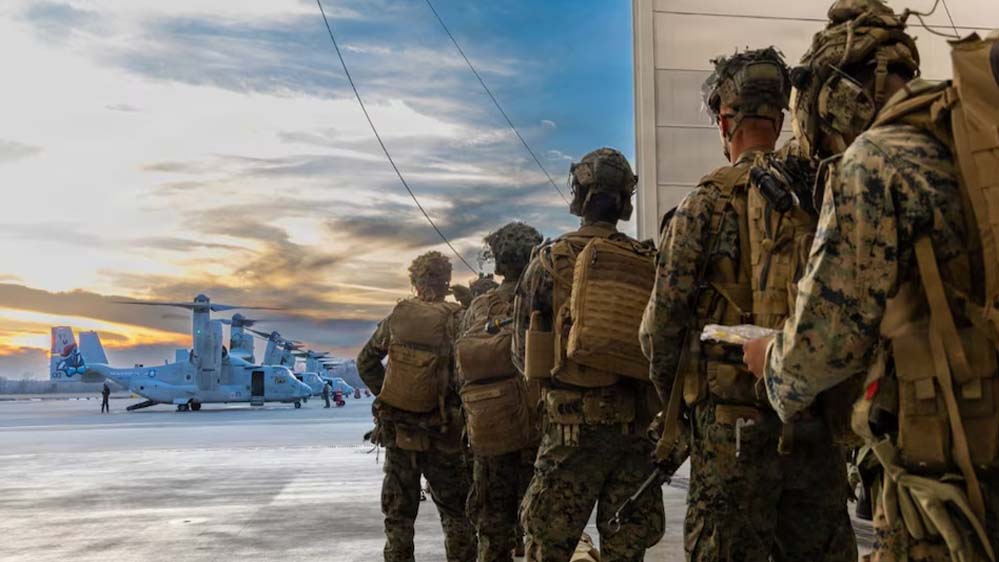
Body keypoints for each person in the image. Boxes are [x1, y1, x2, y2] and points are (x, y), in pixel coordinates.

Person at [744, 2, 999, 561]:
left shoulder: (876, 160)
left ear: (835, 98)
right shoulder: (974, 139)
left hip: (949, 484)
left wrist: (771, 360)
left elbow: (824, 344)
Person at [639, 46, 857, 561]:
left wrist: (684, 407)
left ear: (724, 121)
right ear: (779, 120)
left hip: (730, 431)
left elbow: (660, 331)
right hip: (812, 420)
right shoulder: (819, 196)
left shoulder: (702, 206)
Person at [512, 148, 665, 561]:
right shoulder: (649, 262)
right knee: (626, 551)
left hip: (568, 431)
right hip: (633, 431)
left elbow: (521, 352)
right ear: (625, 202)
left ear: (579, 196)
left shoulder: (548, 260)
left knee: (548, 547)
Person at [357, 251, 475, 562]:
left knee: (399, 513)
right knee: (456, 513)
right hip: (444, 430)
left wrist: (390, 395)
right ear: (446, 282)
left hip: (400, 430)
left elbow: (365, 362)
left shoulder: (397, 318)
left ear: (415, 283)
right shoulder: (458, 319)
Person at [456, 222, 543, 562]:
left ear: (498, 261)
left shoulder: (479, 308)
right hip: (539, 432)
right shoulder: (546, 297)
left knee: (492, 530)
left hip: (490, 429)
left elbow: (459, 372)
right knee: (542, 532)